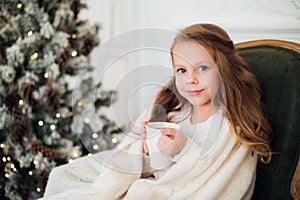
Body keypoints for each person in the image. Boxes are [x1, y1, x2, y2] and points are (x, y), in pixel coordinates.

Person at [41, 23, 272, 200]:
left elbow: (207, 178)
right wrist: (144, 148)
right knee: (65, 175)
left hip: (168, 191)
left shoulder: (230, 125)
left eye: (202, 68)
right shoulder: (173, 110)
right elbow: (135, 156)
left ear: (224, 69)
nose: (190, 79)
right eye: (181, 70)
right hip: (143, 178)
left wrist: (180, 151)